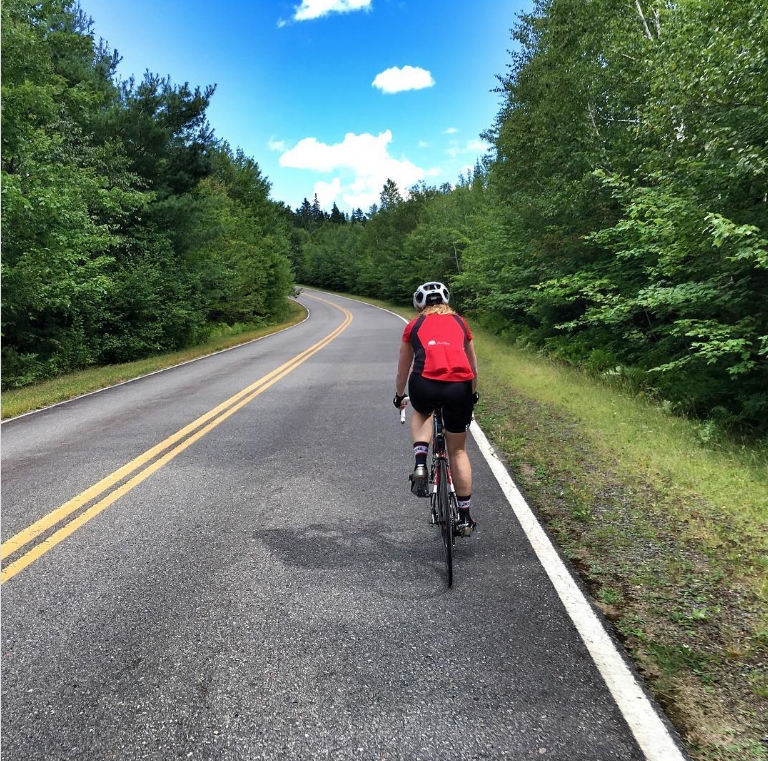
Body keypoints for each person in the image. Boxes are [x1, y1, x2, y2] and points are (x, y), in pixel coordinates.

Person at [393, 281, 479, 533]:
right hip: (459, 387)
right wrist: (471, 396)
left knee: (422, 412)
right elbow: (473, 367)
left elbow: (403, 369)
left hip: (424, 384)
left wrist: (400, 396)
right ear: (446, 301)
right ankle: (464, 518)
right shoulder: (461, 323)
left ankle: (420, 462)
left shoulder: (414, 325)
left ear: (420, 304)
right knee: (458, 451)